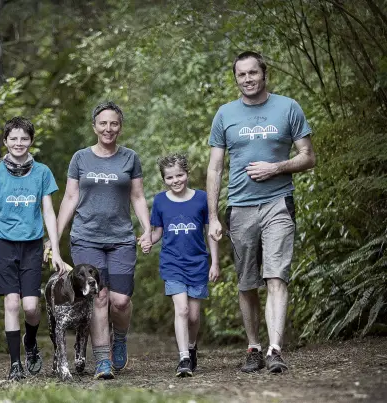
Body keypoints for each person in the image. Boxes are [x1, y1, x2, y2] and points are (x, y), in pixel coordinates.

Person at [206, 51, 316, 373]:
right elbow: (215, 168)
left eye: (253, 73)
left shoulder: (288, 107)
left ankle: (275, 349)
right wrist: (212, 216)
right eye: (242, 74)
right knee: (247, 282)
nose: (248, 79)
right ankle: (253, 345)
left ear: (264, 74)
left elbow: (308, 157)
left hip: (278, 202)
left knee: (276, 275)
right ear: (236, 78)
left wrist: (277, 167)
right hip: (239, 208)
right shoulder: (225, 114)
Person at [47, 101, 152, 380]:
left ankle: (120, 337)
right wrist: (55, 239)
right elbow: (70, 198)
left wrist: (148, 229)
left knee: (119, 301)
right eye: (103, 123)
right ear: (94, 126)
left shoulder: (130, 158)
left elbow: (138, 196)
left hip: (121, 238)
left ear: (120, 126)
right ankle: (103, 360)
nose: (108, 128)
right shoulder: (80, 158)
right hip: (86, 238)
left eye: (114, 123)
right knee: (98, 297)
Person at [0, 116, 66, 381]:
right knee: (12, 303)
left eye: (24, 138)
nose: (19, 143)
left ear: (31, 142)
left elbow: (49, 212)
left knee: (30, 307)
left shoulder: (42, 172)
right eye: (13, 138)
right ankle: (15, 363)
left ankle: (31, 342)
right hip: (4, 247)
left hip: (32, 247)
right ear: (5, 141)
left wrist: (56, 250)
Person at [147, 154, 219, 377]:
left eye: (180, 175)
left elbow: (211, 232)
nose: (175, 180)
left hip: (197, 263)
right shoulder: (160, 201)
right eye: (170, 177)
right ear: (164, 179)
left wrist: (214, 262)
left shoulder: (201, 199)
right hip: (172, 263)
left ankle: (191, 347)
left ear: (187, 173)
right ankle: (183, 359)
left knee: (194, 317)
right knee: (182, 309)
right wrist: (148, 239)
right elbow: (158, 231)